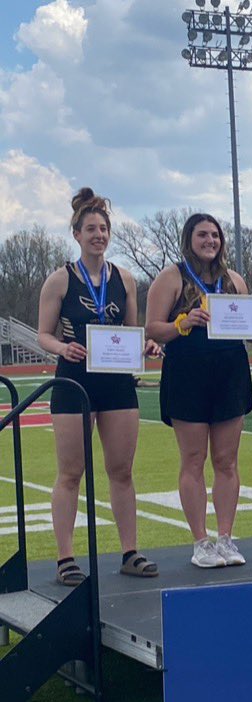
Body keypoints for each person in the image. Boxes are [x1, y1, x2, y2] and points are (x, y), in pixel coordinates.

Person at [37, 187, 159, 585]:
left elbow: (131, 332)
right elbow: (43, 335)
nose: (98, 235)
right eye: (90, 229)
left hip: (116, 385)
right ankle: (65, 558)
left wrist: (148, 344)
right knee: (71, 472)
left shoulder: (124, 279)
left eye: (103, 229)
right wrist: (62, 347)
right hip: (73, 381)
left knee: (121, 470)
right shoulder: (60, 279)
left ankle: (129, 552)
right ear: (76, 234)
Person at [145, 213, 252, 567]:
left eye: (215, 236)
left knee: (227, 461)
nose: (210, 241)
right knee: (194, 459)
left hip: (229, 372)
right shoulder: (172, 277)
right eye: (203, 235)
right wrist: (183, 322)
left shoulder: (235, 280)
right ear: (189, 238)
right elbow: (152, 328)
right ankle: (201, 541)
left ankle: (226, 538)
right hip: (187, 375)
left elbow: (248, 333)